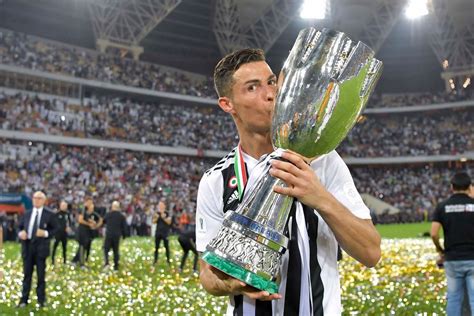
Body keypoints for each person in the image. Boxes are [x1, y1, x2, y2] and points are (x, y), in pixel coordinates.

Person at [196, 48, 381, 315]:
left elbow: (371, 252)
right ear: (228, 104)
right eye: (252, 88)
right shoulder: (216, 180)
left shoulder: (322, 160)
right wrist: (231, 284)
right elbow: (207, 274)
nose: (271, 94)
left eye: (271, 81)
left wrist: (320, 197)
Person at [431, 172, 474, 316]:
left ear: (451, 187)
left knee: (454, 299)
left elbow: (434, 233)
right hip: (472, 258)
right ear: (469, 187)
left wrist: (441, 251)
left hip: (452, 258)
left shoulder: (442, 206)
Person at [17, 191, 58, 308]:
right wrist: (21, 233)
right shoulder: (27, 213)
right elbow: (19, 227)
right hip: (28, 247)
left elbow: (56, 229)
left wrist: (45, 233)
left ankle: (41, 300)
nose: (36, 200)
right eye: (34, 198)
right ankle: (23, 300)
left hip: (41, 248)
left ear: (44, 200)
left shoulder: (49, 214)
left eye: (39, 198)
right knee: (27, 275)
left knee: (41, 276)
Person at [72, 197, 103, 267]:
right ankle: (81, 263)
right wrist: (89, 224)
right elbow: (80, 220)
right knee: (82, 246)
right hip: (82, 231)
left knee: (84, 247)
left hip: (87, 232)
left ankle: (76, 261)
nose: (91, 204)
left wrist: (95, 225)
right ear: (86, 202)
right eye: (89, 202)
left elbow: (100, 219)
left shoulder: (91, 212)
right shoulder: (82, 209)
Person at [103, 201, 127, 270]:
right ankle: (116, 266)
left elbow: (103, 221)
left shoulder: (108, 214)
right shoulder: (121, 216)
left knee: (106, 249)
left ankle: (107, 263)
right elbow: (124, 227)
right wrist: (124, 235)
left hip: (109, 234)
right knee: (116, 250)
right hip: (117, 235)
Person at [153, 200, 172, 266]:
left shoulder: (167, 213)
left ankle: (168, 260)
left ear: (164, 206)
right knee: (156, 247)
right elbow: (153, 222)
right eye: (159, 205)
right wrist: (156, 217)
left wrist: (164, 217)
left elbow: (169, 222)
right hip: (158, 232)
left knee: (166, 247)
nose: (160, 206)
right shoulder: (157, 213)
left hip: (165, 232)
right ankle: (155, 261)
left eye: (161, 205)